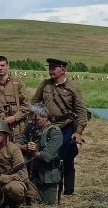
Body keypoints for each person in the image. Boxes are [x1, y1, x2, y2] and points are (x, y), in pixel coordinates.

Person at [32, 58, 87, 196]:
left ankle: (68, 190)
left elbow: (81, 111)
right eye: (49, 68)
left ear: (63, 69)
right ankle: (50, 186)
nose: (50, 71)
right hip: (47, 126)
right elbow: (34, 102)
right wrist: (38, 117)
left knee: (67, 157)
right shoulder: (45, 85)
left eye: (54, 68)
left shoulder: (73, 87)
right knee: (47, 156)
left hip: (66, 126)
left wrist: (78, 132)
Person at [17, 103, 62, 205]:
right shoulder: (30, 127)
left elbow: (47, 155)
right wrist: (25, 147)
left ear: (45, 117)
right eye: (32, 120)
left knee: (47, 205)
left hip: (47, 175)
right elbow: (17, 143)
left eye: (37, 120)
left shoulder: (55, 132)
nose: (34, 123)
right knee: (27, 203)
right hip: (31, 174)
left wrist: (34, 151)